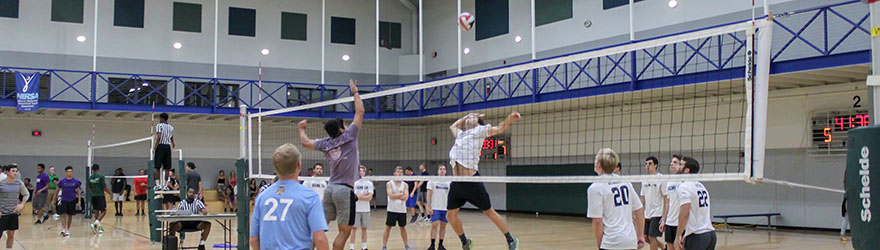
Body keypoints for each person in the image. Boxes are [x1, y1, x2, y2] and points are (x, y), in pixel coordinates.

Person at [299, 80, 364, 250]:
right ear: (341, 130)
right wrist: (355, 91)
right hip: (344, 190)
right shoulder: (349, 136)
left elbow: (305, 142)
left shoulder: (324, 143)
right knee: (344, 232)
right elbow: (360, 111)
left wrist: (301, 129)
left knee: (320, 229)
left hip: (330, 189)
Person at [446, 112, 521, 250]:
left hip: (472, 182)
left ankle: (511, 240)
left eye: (474, 117)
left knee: (489, 212)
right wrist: (467, 115)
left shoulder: (480, 130)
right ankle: (465, 242)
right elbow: (453, 126)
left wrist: (509, 119)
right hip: (456, 183)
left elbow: (499, 129)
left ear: (478, 122)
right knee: (450, 216)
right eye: (469, 117)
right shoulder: (461, 135)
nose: (470, 117)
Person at [250, 143, 329, 250]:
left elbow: (253, 239)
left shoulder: (262, 197)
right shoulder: (310, 197)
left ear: (276, 168)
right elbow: (320, 239)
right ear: (299, 166)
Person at [587, 148, 646, 250]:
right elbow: (639, 209)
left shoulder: (595, 187)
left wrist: (600, 246)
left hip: (611, 242)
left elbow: (597, 221)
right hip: (630, 241)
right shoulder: (625, 182)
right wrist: (640, 235)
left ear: (599, 164)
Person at [675, 157, 716, 250]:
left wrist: (678, 235)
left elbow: (685, 212)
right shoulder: (701, 186)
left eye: (680, 164)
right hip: (711, 235)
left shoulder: (684, 187)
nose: (678, 167)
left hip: (698, 236)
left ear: (687, 170)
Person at [0, 165, 29, 250]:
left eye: (16, 171)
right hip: (2, 213)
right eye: (13, 171)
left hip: (13, 212)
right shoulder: (2, 183)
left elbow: (26, 194)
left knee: (11, 234)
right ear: (7, 172)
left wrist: (21, 204)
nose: (15, 173)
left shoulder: (19, 183)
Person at [382, 166, 411, 250]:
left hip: (402, 210)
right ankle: (384, 246)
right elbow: (390, 195)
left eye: (401, 172)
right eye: (398, 172)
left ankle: (406, 245)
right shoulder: (390, 183)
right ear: (394, 173)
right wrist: (400, 195)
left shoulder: (405, 184)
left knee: (403, 228)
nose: (399, 173)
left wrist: (397, 195)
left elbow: (406, 197)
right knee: (388, 228)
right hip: (392, 209)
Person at [641, 156, 665, 250]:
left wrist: (664, 215)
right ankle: (663, 247)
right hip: (647, 213)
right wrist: (638, 212)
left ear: (655, 165)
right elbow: (642, 197)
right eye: (646, 164)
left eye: (650, 164)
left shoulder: (661, 178)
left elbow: (666, 198)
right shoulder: (644, 179)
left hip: (657, 212)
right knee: (645, 237)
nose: (647, 166)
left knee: (652, 237)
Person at [660, 155, 683, 250]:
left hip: (680, 223)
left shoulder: (683, 181)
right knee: (670, 247)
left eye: (675, 162)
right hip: (670, 222)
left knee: (679, 247)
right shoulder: (669, 181)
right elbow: (668, 202)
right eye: (671, 162)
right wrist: (664, 220)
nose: (671, 164)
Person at [426, 164, 452, 250]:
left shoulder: (449, 182)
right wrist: (428, 206)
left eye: (443, 169)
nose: (442, 170)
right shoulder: (432, 181)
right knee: (434, 225)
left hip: (445, 208)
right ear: (438, 171)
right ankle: (432, 245)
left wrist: (451, 208)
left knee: (443, 226)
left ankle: (441, 245)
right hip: (435, 207)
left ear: (446, 171)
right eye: (440, 169)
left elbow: (451, 196)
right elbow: (428, 195)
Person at [350, 166, 373, 250]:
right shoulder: (354, 183)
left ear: (365, 172)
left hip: (366, 209)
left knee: (364, 229)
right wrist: (363, 195)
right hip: (355, 209)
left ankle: (364, 247)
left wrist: (358, 196)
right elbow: (353, 197)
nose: (361, 172)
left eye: (363, 171)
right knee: (354, 229)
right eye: (359, 171)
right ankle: (351, 247)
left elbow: (370, 197)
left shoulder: (369, 183)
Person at [56, 166, 81, 237]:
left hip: (72, 200)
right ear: (66, 172)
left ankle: (68, 229)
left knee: (70, 215)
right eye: (68, 172)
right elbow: (57, 189)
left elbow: (78, 191)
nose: (70, 173)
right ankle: (63, 228)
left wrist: (79, 200)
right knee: (63, 214)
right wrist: (54, 199)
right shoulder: (62, 181)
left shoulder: (76, 182)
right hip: (64, 200)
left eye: (71, 172)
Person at [87, 164, 112, 234]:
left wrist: (94, 193)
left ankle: (99, 228)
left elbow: (90, 188)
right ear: (98, 168)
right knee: (103, 211)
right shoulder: (101, 176)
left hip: (93, 196)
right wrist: (110, 193)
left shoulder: (90, 178)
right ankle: (95, 224)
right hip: (100, 195)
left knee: (96, 211)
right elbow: (104, 187)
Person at [154, 112, 176, 190]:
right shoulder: (170, 127)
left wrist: (155, 147)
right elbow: (171, 136)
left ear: (161, 118)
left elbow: (159, 137)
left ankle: (158, 185)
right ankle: (165, 185)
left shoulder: (159, 126)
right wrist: (173, 143)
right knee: (167, 167)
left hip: (161, 146)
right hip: (168, 147)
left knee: (157, 167)